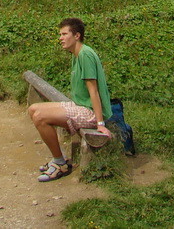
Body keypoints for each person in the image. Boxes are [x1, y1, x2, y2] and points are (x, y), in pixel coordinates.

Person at [27, 17, 112, 182]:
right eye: (60, 34)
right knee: (33, 109)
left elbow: (93, 91)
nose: (60, 38)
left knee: (40, 117)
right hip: (80, 105)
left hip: (90, 112)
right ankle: (59, 159)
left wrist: (100, 124)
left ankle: (60, 163)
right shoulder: (76, 53)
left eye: (64, 34)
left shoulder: (85, 55)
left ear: (77, 36)